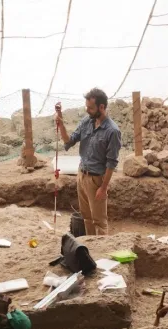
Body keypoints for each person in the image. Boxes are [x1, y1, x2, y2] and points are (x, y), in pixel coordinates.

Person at [55, 88, 121, 236]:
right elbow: (69, 141)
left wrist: (103, 188)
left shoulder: (112, 131)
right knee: (87, 218)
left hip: (96, 180)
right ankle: (90, 250)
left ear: (102, 107)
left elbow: (111, 163)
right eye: (87, 107)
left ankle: (101, 253)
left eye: (91, 108)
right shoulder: (86, 122)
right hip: (82, 175)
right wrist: (61, 124)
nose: (87, 110)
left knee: (99, 222)